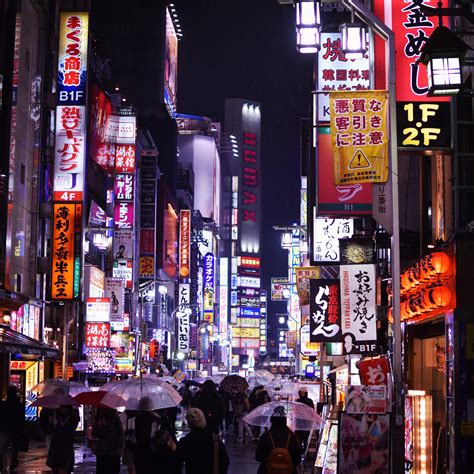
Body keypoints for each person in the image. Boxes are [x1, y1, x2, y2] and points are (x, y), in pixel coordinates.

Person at [174, 408, 229, 474]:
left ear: (189, 423)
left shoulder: (185, 441)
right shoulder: (215, 440)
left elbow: (177, 464)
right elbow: (224, 462)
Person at [255, 408, 301, 474]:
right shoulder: (292, 436)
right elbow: (297, 461)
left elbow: (258, 457)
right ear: (285, 420)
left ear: (272, 420)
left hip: (267, 470)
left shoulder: (265, 436)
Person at [132, 409, 176, 474]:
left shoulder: (133, 419)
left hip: (140, 454)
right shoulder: (158, 418)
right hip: (154, 453)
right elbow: (162, 436)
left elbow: (130, 438)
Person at [45, 404, 80, 474]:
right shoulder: (57, 417)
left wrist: (57, 424)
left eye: (65, 408)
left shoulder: (72, 419)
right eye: (62, 408)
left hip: (66, 448)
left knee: (64, 468)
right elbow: (50, 431)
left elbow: (68, 431)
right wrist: (50, 423)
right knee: (55, 469)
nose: (63, 410)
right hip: (55, 448)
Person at [92, 407, 124, 474]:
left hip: (113, 453)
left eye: (104, 410)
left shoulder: (115, 419)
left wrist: (118, 451)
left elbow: (120, 435)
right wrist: (98, 426)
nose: (102, 412)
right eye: (101, 409)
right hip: (101, 453)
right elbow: (94, 435)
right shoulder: (98, 420)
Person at [0, 385, 25, 470]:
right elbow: (21, 418)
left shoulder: (3, 404)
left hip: (5, 428)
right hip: (15, 429)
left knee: (3, 446)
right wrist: (22, 429)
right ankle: (13, 463)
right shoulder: (19, 405)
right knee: (15, 447)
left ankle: (1, 462)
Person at [295, 386, 315, 453]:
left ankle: (304, 451)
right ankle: (300, 451)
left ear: (306, 393)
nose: (302, 393)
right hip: (299, 422)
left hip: (306, 421)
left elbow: (312, 411)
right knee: (299, 438)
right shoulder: (297, 401)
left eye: (303, 392)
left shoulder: (309, 401)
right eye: (300, 392)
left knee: (305, 438)